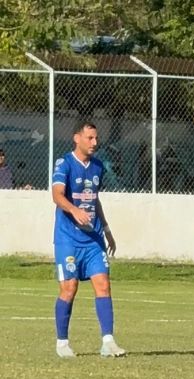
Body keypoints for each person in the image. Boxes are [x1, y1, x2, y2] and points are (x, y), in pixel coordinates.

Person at [51, 121, 124, 358]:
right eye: (90, 138)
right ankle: (62, 343)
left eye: (96, 138)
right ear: (77, 138)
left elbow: (95, 199)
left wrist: (106, 228)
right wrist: (74, 210)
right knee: (69, 288)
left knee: (103, 285)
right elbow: (57, 195)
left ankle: (108, 341)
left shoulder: (98, 166)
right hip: (68, 239)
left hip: (93, 239)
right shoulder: (64, 164)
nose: (95, 143)